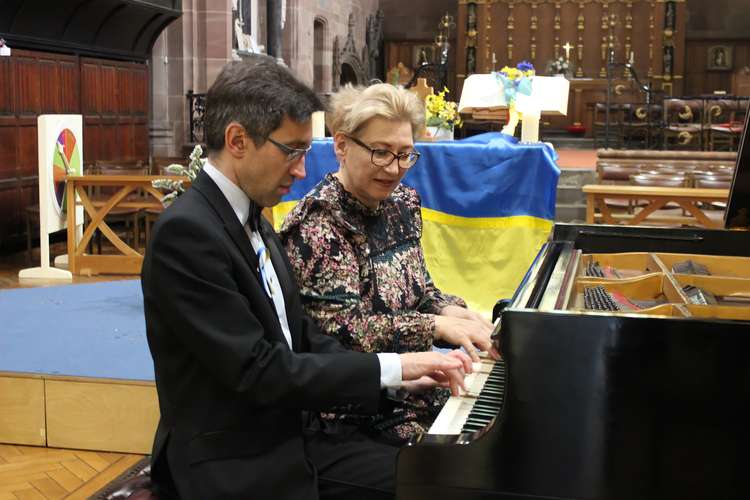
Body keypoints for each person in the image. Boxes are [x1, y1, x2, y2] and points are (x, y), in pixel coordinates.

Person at [141, 56, 472, 500]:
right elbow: (259, 370)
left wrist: (396, 376)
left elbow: (303, 336)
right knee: (441, 482)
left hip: (294, 427)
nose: (301, 170)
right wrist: (392, 365)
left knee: (453, 468)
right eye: (292, 151)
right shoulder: (188, 234)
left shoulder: (249, 218)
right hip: (238, 456)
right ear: (238, 140)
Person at [280, 83, 498, 443]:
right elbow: (342, 333)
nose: (395, 169)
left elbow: (419, 289)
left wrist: (452, 312)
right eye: (381, 153)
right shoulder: (319, 226)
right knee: (462, 468)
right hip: (354, 407)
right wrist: (433, 327)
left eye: (405, 154)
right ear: (341, 146)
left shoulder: (402, 203)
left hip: (414, 384)